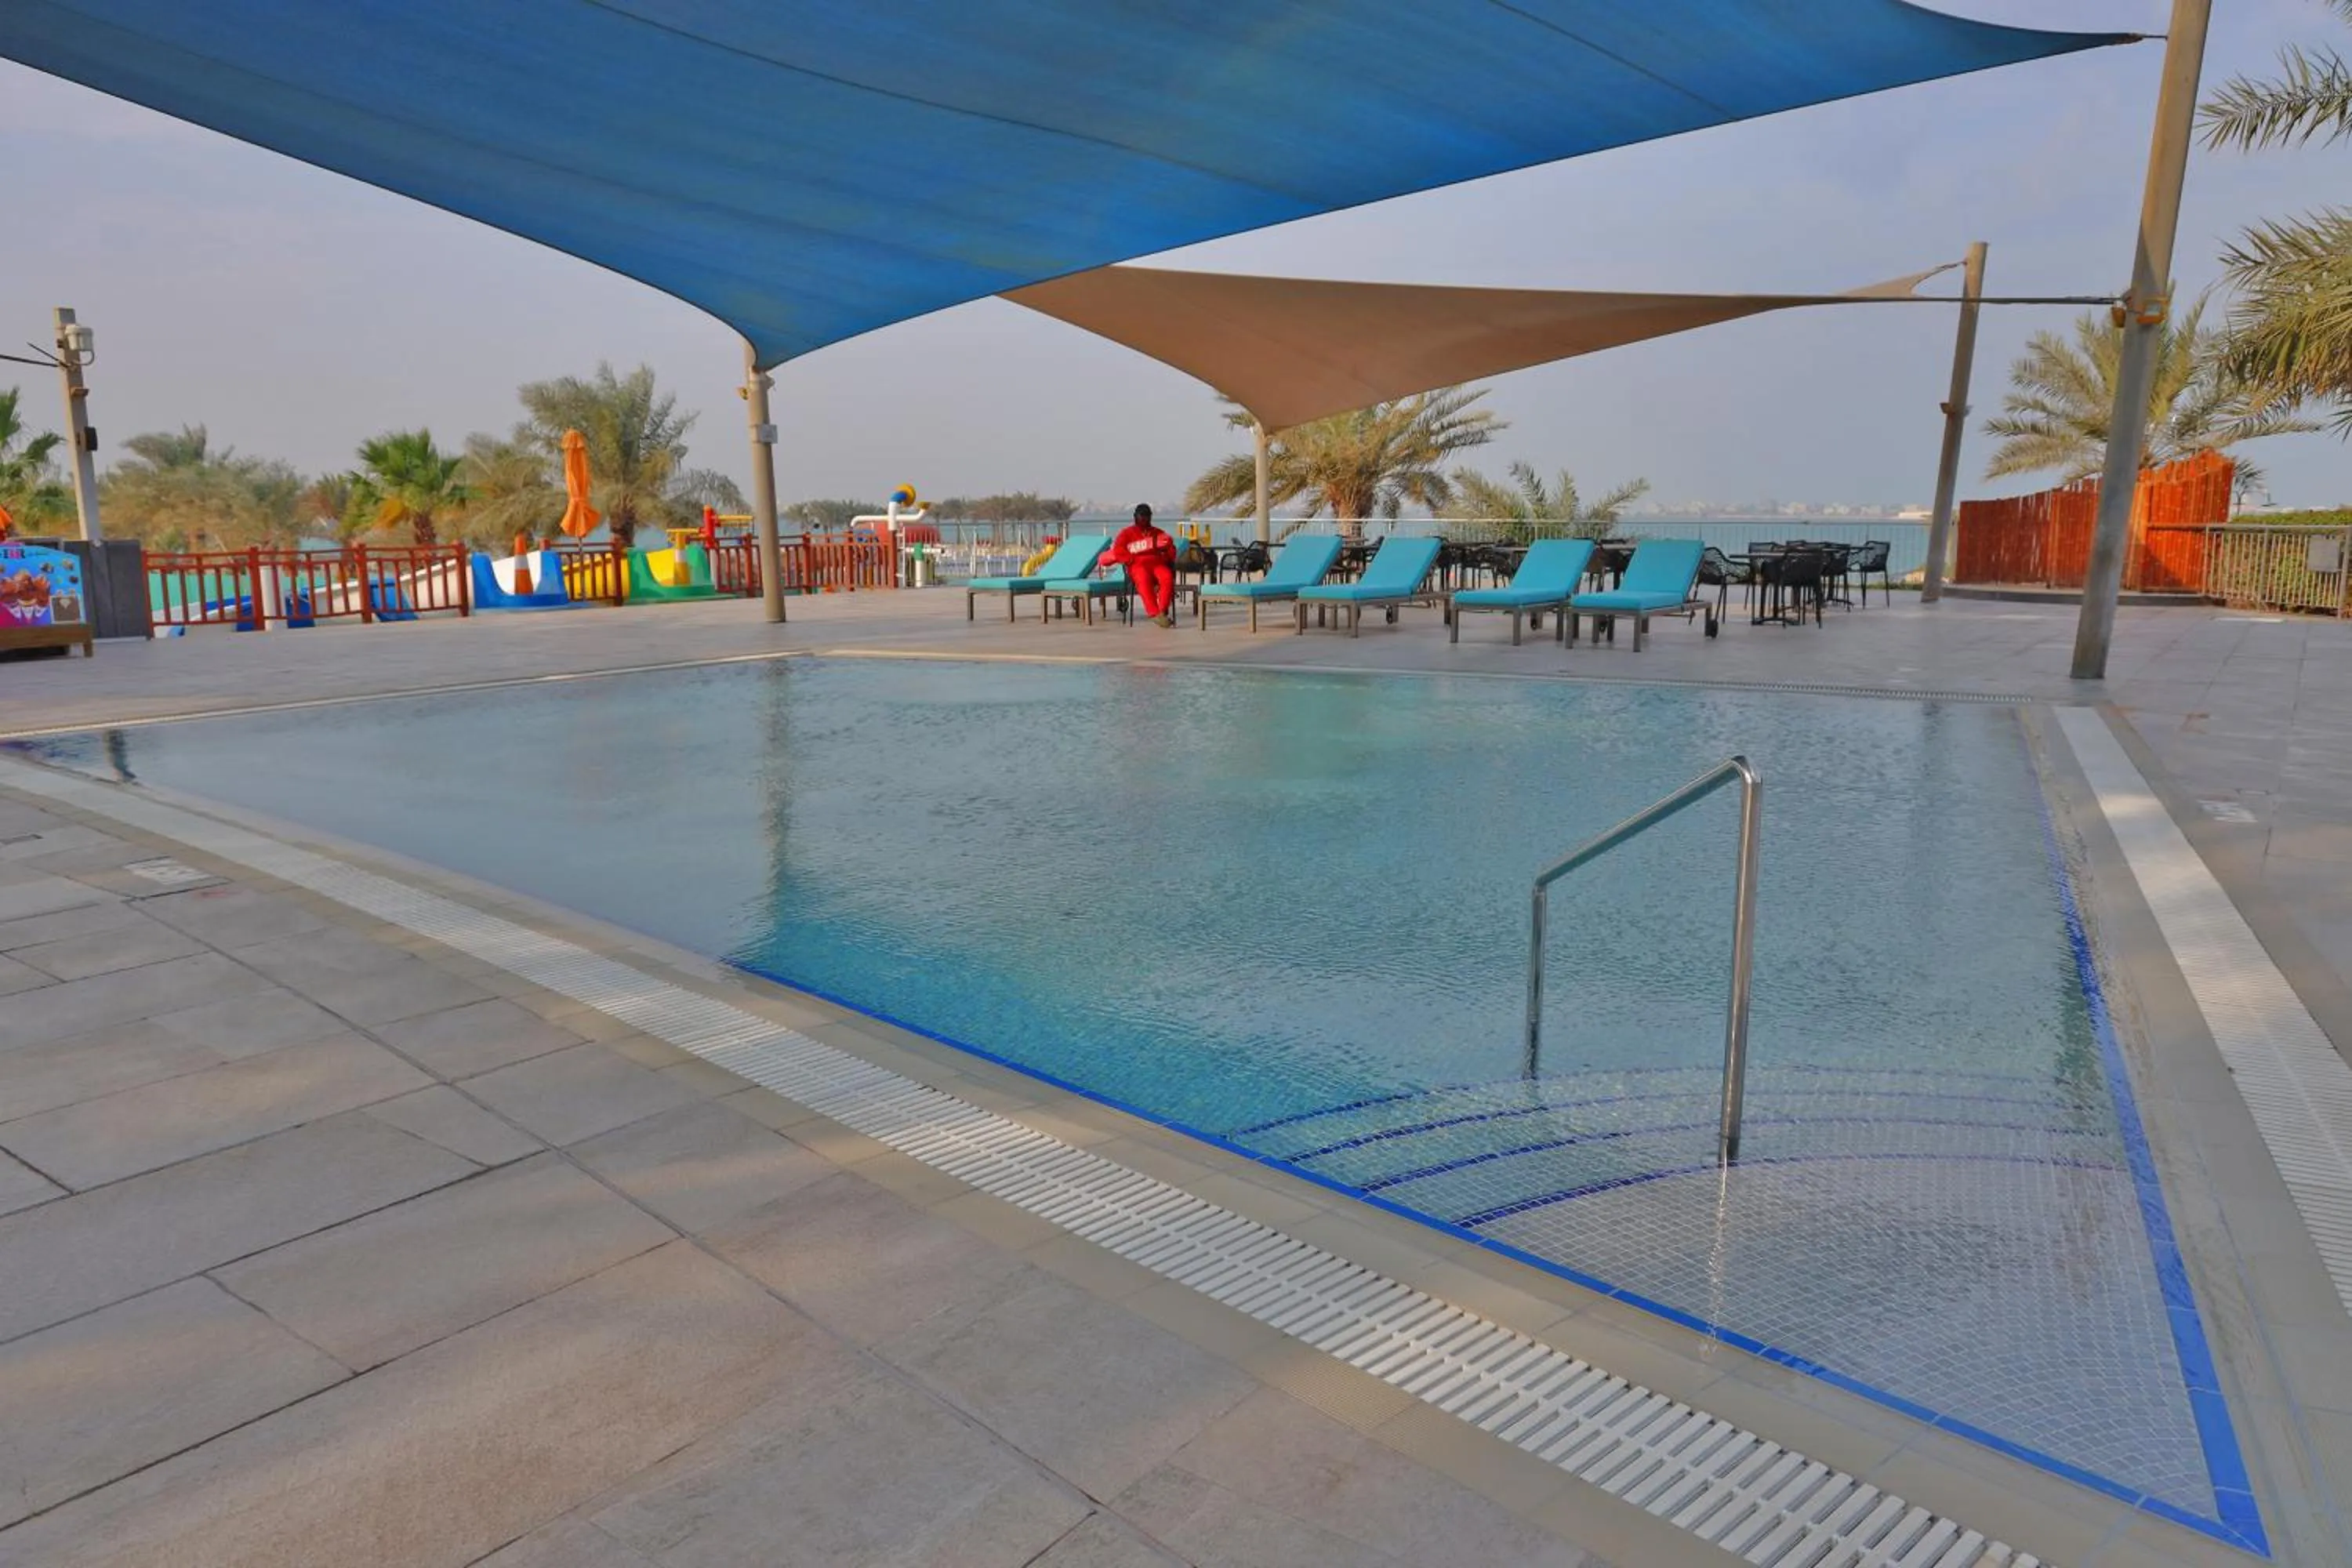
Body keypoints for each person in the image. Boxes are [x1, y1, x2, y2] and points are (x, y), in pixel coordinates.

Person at [1102, 503, 1178, 626]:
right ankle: (1154, 613)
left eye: (1147, 516)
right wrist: (1131, 561)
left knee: (1167, 578)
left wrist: (1165, 554)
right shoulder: (1126, 533)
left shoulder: (1158, 533)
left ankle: (1162, 612)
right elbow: (1119, 550)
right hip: (1137, 565)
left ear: (1150, 517)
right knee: (1143, 579)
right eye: (1141, 516)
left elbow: (1171, 552)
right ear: (1135, 517)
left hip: (1157, 563)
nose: (1144, 519)